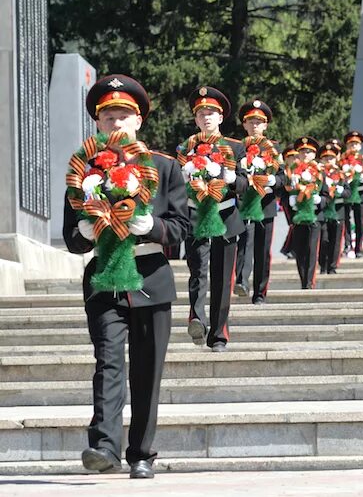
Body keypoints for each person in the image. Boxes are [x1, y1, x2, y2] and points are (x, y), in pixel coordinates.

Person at [63, 74, 190, 479]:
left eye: (123, 116)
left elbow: (181, 228)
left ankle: (141, 453)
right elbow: (71, 236)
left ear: (138, 121)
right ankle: (103, 446)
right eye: (108, 118)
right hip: (104, 277)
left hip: (150, 276)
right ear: (97, 124)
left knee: (147, 369)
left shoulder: (165, 167)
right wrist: (84, 234)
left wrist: (150, 226)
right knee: (109, 362)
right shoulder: (84, 169)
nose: (115, 124)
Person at [180, 87, 247, 352]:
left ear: (221, 118)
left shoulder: (235, 147)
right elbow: (176, 183)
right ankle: (197, 318)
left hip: (225, 213)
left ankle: (219, 334)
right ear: (196, 119)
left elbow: (245, 183)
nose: (206, 117)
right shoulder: (186, 147)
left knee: (221, 277)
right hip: (196, 214)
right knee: (197, 269)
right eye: (201, 113)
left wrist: (232, 179)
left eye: (211, 113)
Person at [233, 99, 279, 303]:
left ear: (265, 125)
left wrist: (272, 180)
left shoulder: (272, 149)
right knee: (243, 243)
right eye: (250, 122)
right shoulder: (237, 148)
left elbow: (284, 179)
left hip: (266, 204)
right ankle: (242, 281)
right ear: (244, 124)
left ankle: (260, 293)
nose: (254, 126)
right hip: (243, 203)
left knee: (262, 250)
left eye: (258, 122)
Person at [282, 136, 326, 289]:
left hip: (315, 216)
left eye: (308, 152)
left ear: (314, 154)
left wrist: (320, 200)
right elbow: (284, 192)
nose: (305, 154)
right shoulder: (291, 170)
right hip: (298, 216)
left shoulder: (320, 170)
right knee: (300, 251)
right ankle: (303, 281)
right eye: (302, 152)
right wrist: (291, 201)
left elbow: (326, 194)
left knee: (312, 250)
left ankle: (309, 283)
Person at [318, 140, 351, 274]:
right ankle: (323, 265)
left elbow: (348, 193)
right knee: (323, 239)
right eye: (325, 158)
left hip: (338, 212)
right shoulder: (318, 173)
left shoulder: (341, 174)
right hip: (323, 211)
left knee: (336, 241)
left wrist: (340, 191)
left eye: (331, 158)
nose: (328, 160)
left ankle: (332, 267)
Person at [342, 130, 363, 257]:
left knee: (360, 222)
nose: (353, 146)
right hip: (346, 195)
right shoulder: (342, 160)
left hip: (360, 195)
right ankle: (347, 245)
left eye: (356, 144)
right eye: (351, 144)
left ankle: (358, 248)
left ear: (360, 146)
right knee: (345, 221)